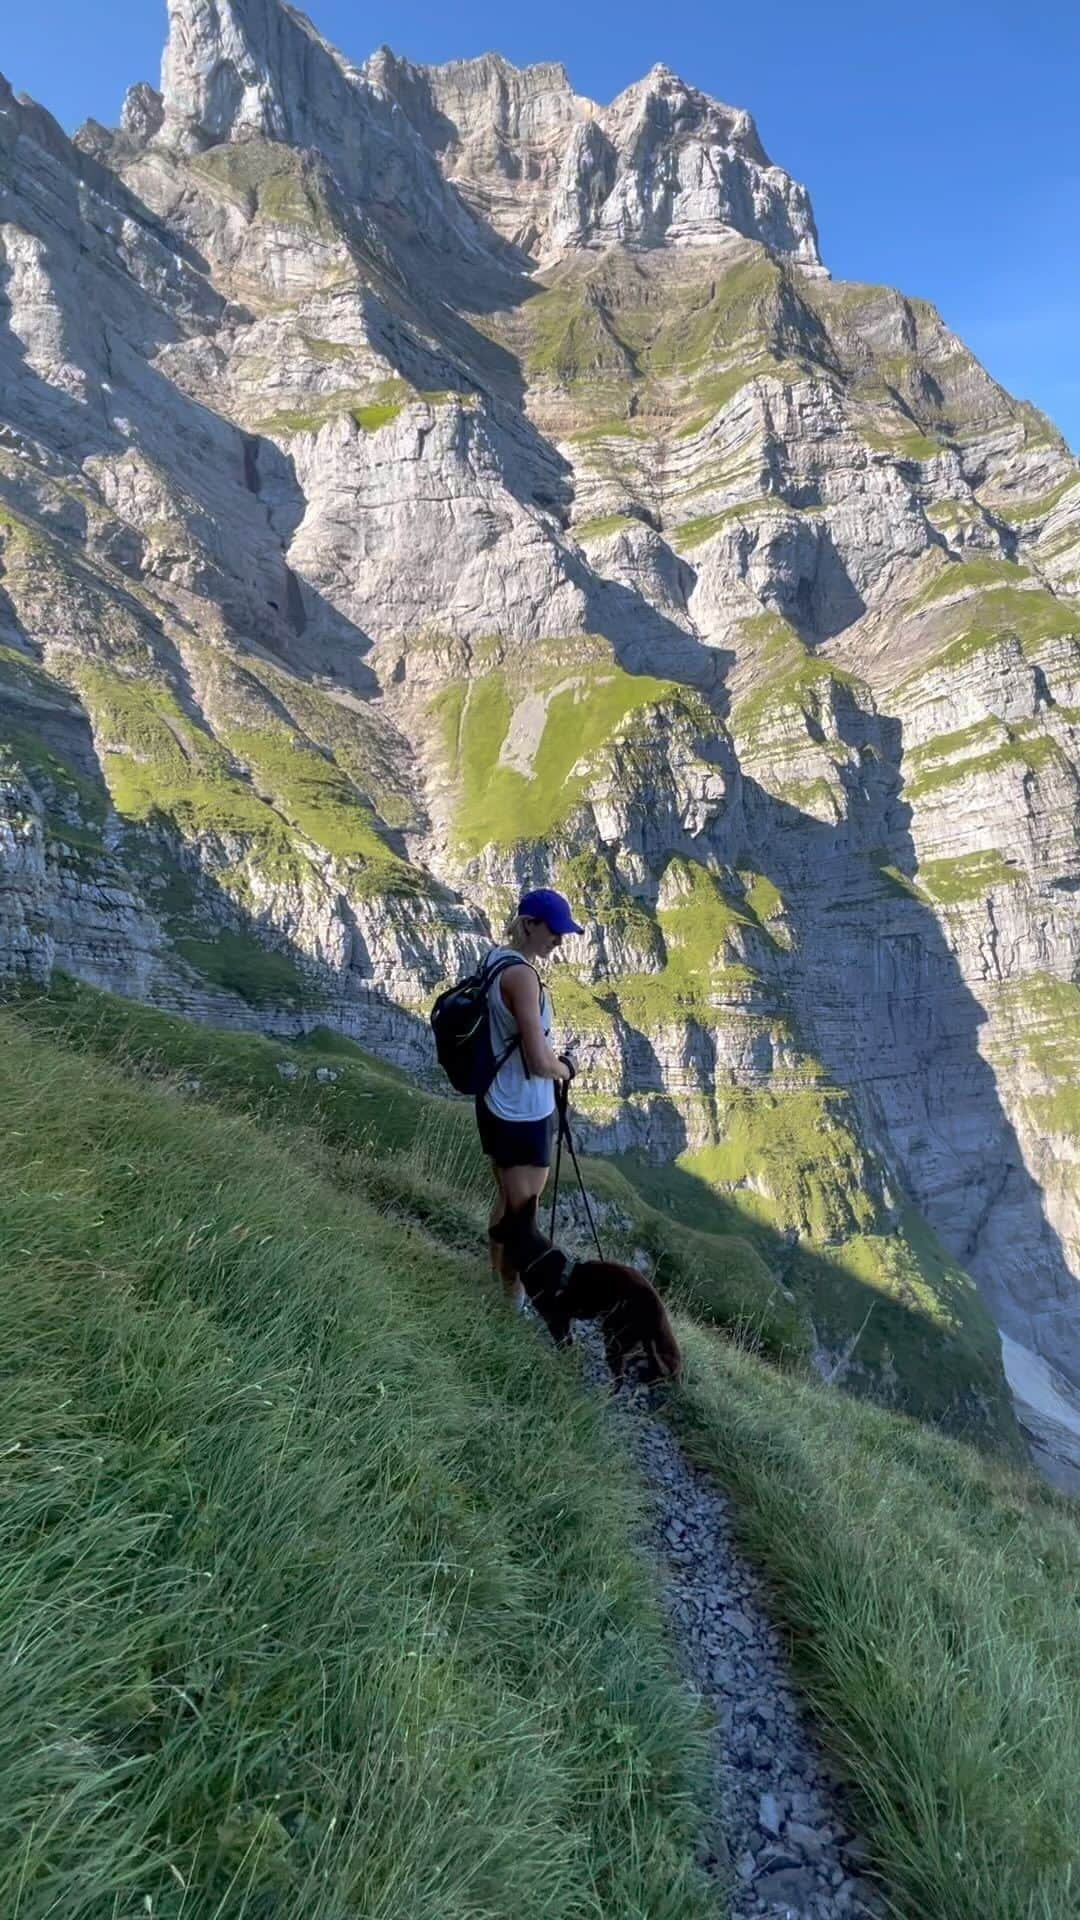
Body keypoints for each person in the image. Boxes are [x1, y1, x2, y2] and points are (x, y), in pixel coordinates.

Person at [476, 887, 584, 1310]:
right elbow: (539, 1062)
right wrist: (567, 1068)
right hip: (523, 1109)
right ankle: (511, 1302)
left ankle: (498, 1283)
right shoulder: (522, 976)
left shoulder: (494, 960)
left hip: (496, 1100)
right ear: (528, 924)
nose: (559, 940)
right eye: (554, 930)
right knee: (524, 1212)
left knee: (507, 1199)